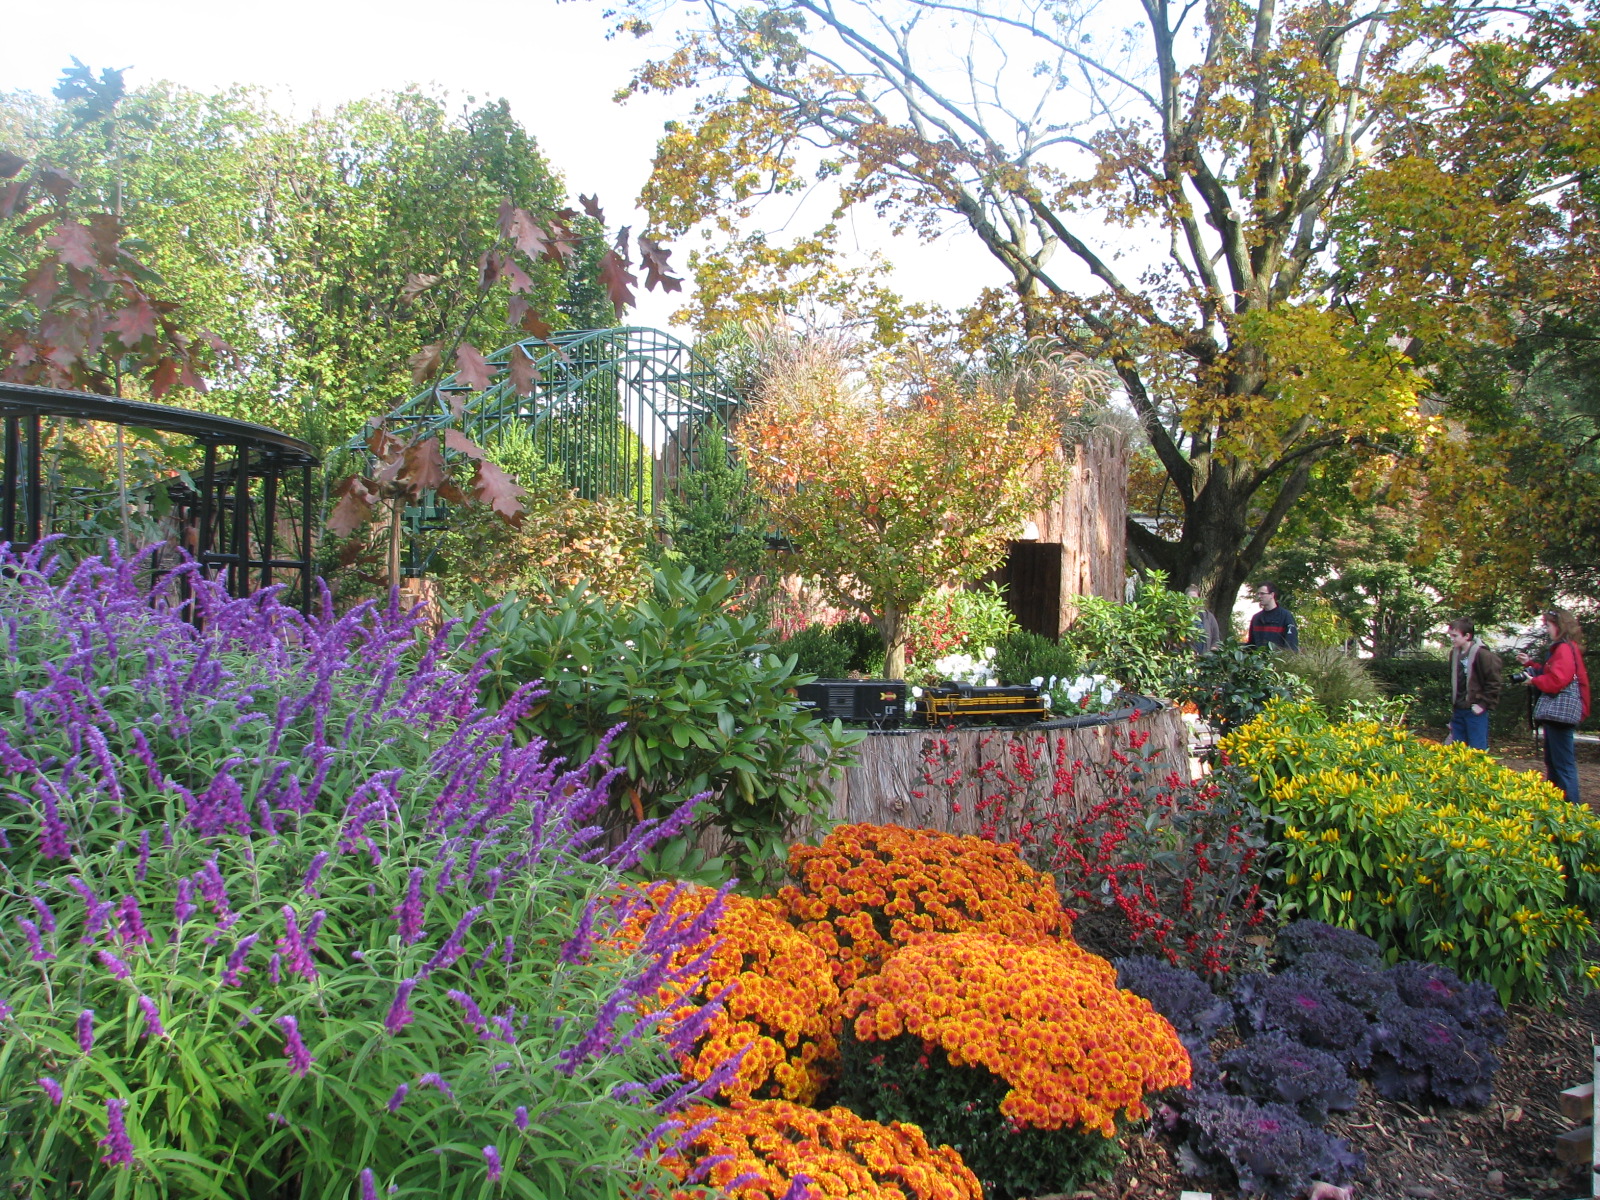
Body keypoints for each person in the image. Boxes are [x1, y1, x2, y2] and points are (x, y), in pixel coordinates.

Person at [1518, 607, 1590, 806]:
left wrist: (1534, 681)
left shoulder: (1564, 649)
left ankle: (1570, 808)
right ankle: (1558, 805)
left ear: (1559, 627)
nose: (1546, 629)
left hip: (1559, 715)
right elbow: (1554, 672)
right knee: (1555, 762)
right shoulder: (1566, 648)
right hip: (1559, 715)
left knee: (1562, 765)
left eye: (1548, 625)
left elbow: (1558, 680)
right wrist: (1530, 664)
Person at [1443, 618, 1501, 751]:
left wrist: (1483, 704)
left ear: (1467, 636)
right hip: (1459, 709)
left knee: (1477, 750)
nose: (1452, 639)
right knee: (1457, 750)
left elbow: (1494, 682)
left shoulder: (1483, 655)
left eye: (1455, 636)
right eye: (1450, 635)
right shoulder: (1454, 654)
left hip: (1475, 710)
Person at [1246, 582, 1298, 651]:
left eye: (1262, 593)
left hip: (1279, 659)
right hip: (1259, 660)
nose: (1259, 596)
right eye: (1258, 594)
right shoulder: (1256, 618)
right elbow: (1251, 645)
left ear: (1272, 595)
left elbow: (1291, 645)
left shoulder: (1286, 616)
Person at [1186, 584, 1223, 652]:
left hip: (1205, 659)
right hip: (1187, 659)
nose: (1192, 601)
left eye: (1195, 599)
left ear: (1199, 600)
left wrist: (1213, 649)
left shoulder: (1209, 617)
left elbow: (1216, 639)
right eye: (1189, 599)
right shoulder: (1180, 618)